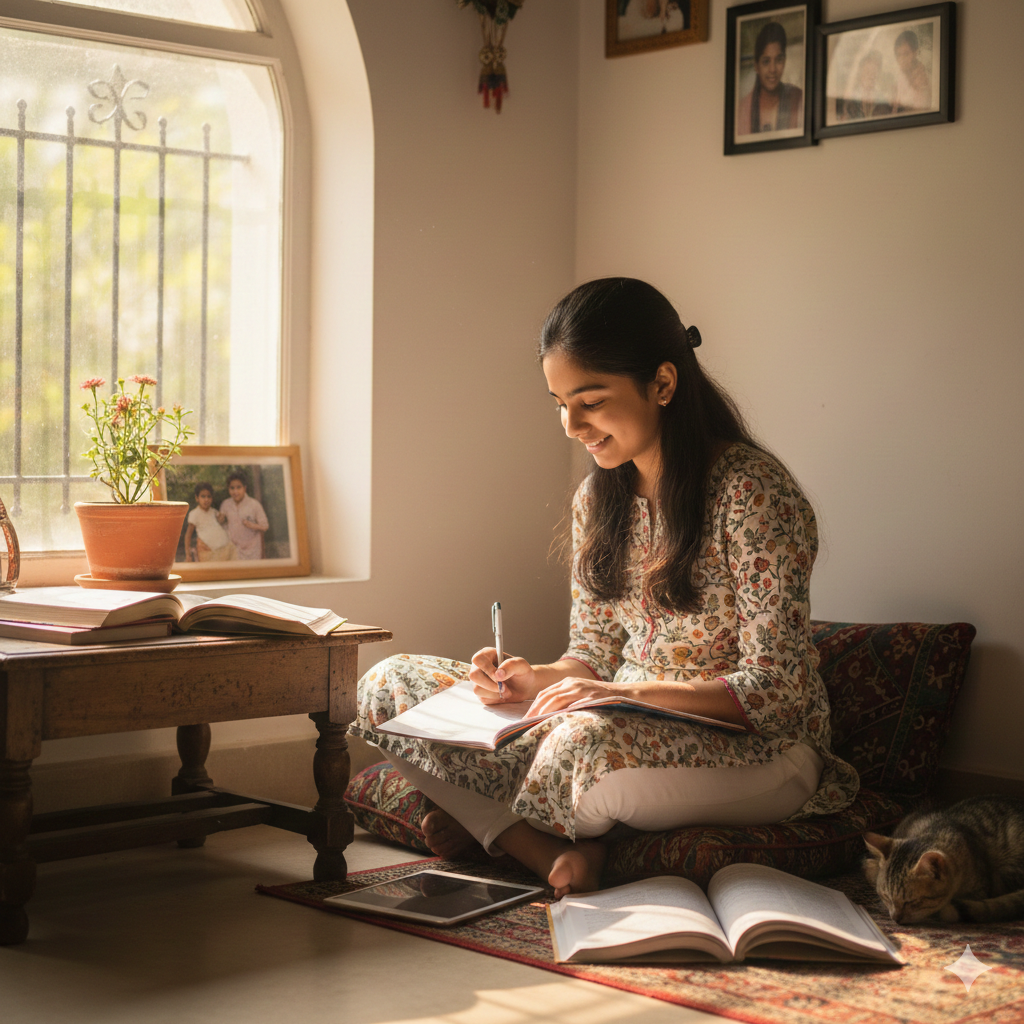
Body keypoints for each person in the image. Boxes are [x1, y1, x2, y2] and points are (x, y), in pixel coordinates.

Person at [352, 279, 859, 897]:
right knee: (388, 685)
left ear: (663, 384)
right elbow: (589, 655)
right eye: (559, 402)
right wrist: (528, 679)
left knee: (579, 747)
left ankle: (493, 823)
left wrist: (616, 696)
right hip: (615, 721)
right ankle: (538, 846)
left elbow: (777, 693)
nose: (571, 425)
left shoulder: (750, 493)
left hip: (761, 751)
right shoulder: (598, 497)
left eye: (589, 400)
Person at [737, 20, 803, 135]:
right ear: (756, 66)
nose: (773, 69)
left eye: (778, 60)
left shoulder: (798, 98)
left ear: (785, 60)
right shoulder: (743, 109)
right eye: (766, 62)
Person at [219, 471, 269, 560]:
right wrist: (220, 520)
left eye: (239, 487)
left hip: (252, 551)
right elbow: (221, 523)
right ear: (228, 489)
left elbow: (265, 526)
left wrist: (252, 525)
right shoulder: (225, 504)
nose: (235, 491)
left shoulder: (254, 504)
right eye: (232, 488)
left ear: (244, 488)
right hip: (233, 550)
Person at [184, 482, 236, 562]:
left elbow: (222, 524)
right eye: (203, 496)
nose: (206, 499)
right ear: (197, 498)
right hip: (208, 552)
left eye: (209, 496)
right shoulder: (194, 514)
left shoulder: (214, 512)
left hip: (224, 548)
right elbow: (188, 535)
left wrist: (223, 519)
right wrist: (188, 554)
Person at [892, 29, 931, 112]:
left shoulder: (922, 79)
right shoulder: (899, 76)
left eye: (906, 54)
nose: (902, 59)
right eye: (899, 55)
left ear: (915, 53)